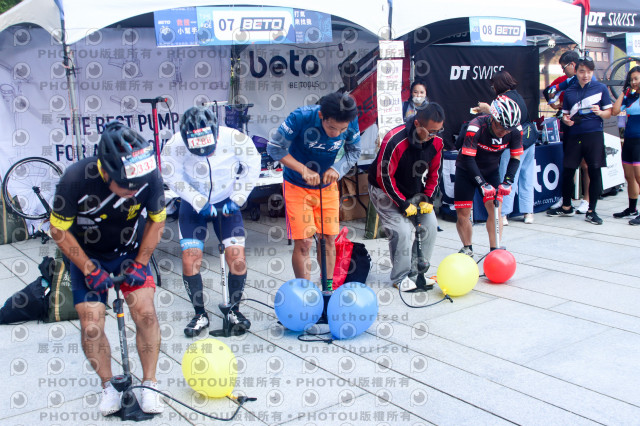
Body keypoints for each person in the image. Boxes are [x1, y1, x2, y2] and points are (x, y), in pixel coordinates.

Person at [49, 122, 166, 416]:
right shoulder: (75, 179)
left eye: (138, 185)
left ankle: (149, 384)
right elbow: (58, 230)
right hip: (88, 255)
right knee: (91, 325)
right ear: (105, 172)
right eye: (127, 186)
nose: (134, 191)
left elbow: (157, 220)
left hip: (130, 252)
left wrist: (141, 263)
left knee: (146, 313)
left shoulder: (149, 174)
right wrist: (89, 268)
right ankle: (108, 386)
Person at [161, 106, 261, 337]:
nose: (204, 153)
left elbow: (252, 165)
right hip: (193, 204)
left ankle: (234, 309)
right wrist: (197, 200)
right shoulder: (174, 144)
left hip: (226, 201)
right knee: (190, 259)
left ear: (216, 132)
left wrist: (238, 198)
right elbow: (172, 176)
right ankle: (199, 314)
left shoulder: (234, 138)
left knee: (237, 258)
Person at [267, 92, 361, 288]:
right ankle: (305, 291)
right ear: (321, 116)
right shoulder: (301, 117)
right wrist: (302, 169)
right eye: (331, 127)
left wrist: (338, 168)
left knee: (328, 238)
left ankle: (328, 288)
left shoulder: (350, 119)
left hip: (326, 186)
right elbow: (274, 148)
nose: (336, 134)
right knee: (304, 242)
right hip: (296, 185)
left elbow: (354, 151)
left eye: (342, 129)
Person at [368, 103, 444, 290]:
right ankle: (400, 278)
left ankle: (417, 273)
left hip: (413, 190)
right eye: (431, 132)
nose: (434, 136)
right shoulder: (394, 140)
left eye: (438, 131)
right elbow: (384, 177)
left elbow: (435, 174)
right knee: (401, 231)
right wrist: (402, 204)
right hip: (383, 190)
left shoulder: (437, 142)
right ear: (417, 124)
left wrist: (428, 198)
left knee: (430, 225)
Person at [455, 95, 523, 256]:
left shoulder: (515, 130)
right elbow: (468, 159)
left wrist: (508, 181)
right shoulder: (475, 126)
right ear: (493, 118)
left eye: (508, 129)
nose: (504, 132)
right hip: (467, 169)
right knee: (463, 213)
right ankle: (467, 248)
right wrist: (482, 184)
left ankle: (495, 249)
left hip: (491, 170)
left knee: (495, 210)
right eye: (501, 127)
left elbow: (515, 158)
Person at [547, 57, 612, 225]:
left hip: (594, 135)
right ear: (576, 72)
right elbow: (565, 114)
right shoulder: (569, 91)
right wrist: (566, 120)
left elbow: (608, 113)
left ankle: (592, 210)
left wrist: (599, 112)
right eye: (582, 71)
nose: (586, 75)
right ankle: (566, 206)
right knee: (568, 170)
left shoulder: (601, 88)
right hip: (574, 135)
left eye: (589, 72)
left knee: (594, 170)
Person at [476, 70, 536, 225]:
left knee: (507, 178)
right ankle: (528, 213)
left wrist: (487, 108)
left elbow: (503, 120)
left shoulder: (503, 99)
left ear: (497, 85)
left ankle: (503, 214)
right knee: (527, 177)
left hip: (514, 142)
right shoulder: (518, 95)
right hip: (529, 140)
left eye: (493, 85)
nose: (492, 88)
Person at [545, 50, 591, 214]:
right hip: (569, 126)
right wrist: (554, 103)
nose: (563, 71)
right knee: (569, 164)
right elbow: (550, 91)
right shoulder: (567, 81)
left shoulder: (588, 81)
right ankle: (566, 200)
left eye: (564, 67)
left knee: (586, 164)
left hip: (586, 127)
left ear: (572, 64)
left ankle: (587, 200)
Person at [611, 66, 640, 225]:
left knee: (639, 176)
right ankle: (632, 208)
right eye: (631, 80)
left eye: (636, 79)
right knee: (629, 177)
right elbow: (615, 111)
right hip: (629, 140)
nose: (634, 82)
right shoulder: (630, 97)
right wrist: (624, 92)